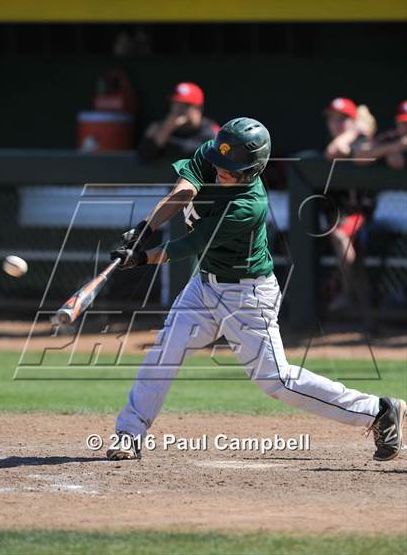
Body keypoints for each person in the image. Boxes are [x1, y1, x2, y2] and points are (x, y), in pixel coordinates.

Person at [107, 117, 406, 462]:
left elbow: (188, 246)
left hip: (246, 296)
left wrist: (141, 257)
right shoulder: (219, 153)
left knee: (276, 381)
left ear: (251, 169)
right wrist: (145, 227)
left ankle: (378, 411)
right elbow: (185, 188)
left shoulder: (247, 205)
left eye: (230, 169)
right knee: (164, 352)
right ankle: (129, 433)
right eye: (220, 163)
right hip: (204, 285)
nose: (221, 171)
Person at [323, 98, 377, 313]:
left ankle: (349, 293)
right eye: (332, 119)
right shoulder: (337, 139)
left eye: (342, 119)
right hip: (337, 212)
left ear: (353, 121)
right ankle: (345, 290)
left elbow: (336, 151)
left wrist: (354, 131)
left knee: (339, 235)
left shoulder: (361, 140)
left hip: (365, 212)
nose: (336, 124)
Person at [137, 82, 219, 162]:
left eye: (186, 105)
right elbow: (144, 157)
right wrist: (166, 129)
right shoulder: (158, 128)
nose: (178, 110)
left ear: (198, 108)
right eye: (175, 104)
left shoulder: (211, 131)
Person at [355, 100, 407, 170]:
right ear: (397, 123)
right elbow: (359, 158)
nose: (405, 126)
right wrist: (396, 146)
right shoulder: (390, 137)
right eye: (403, 123)